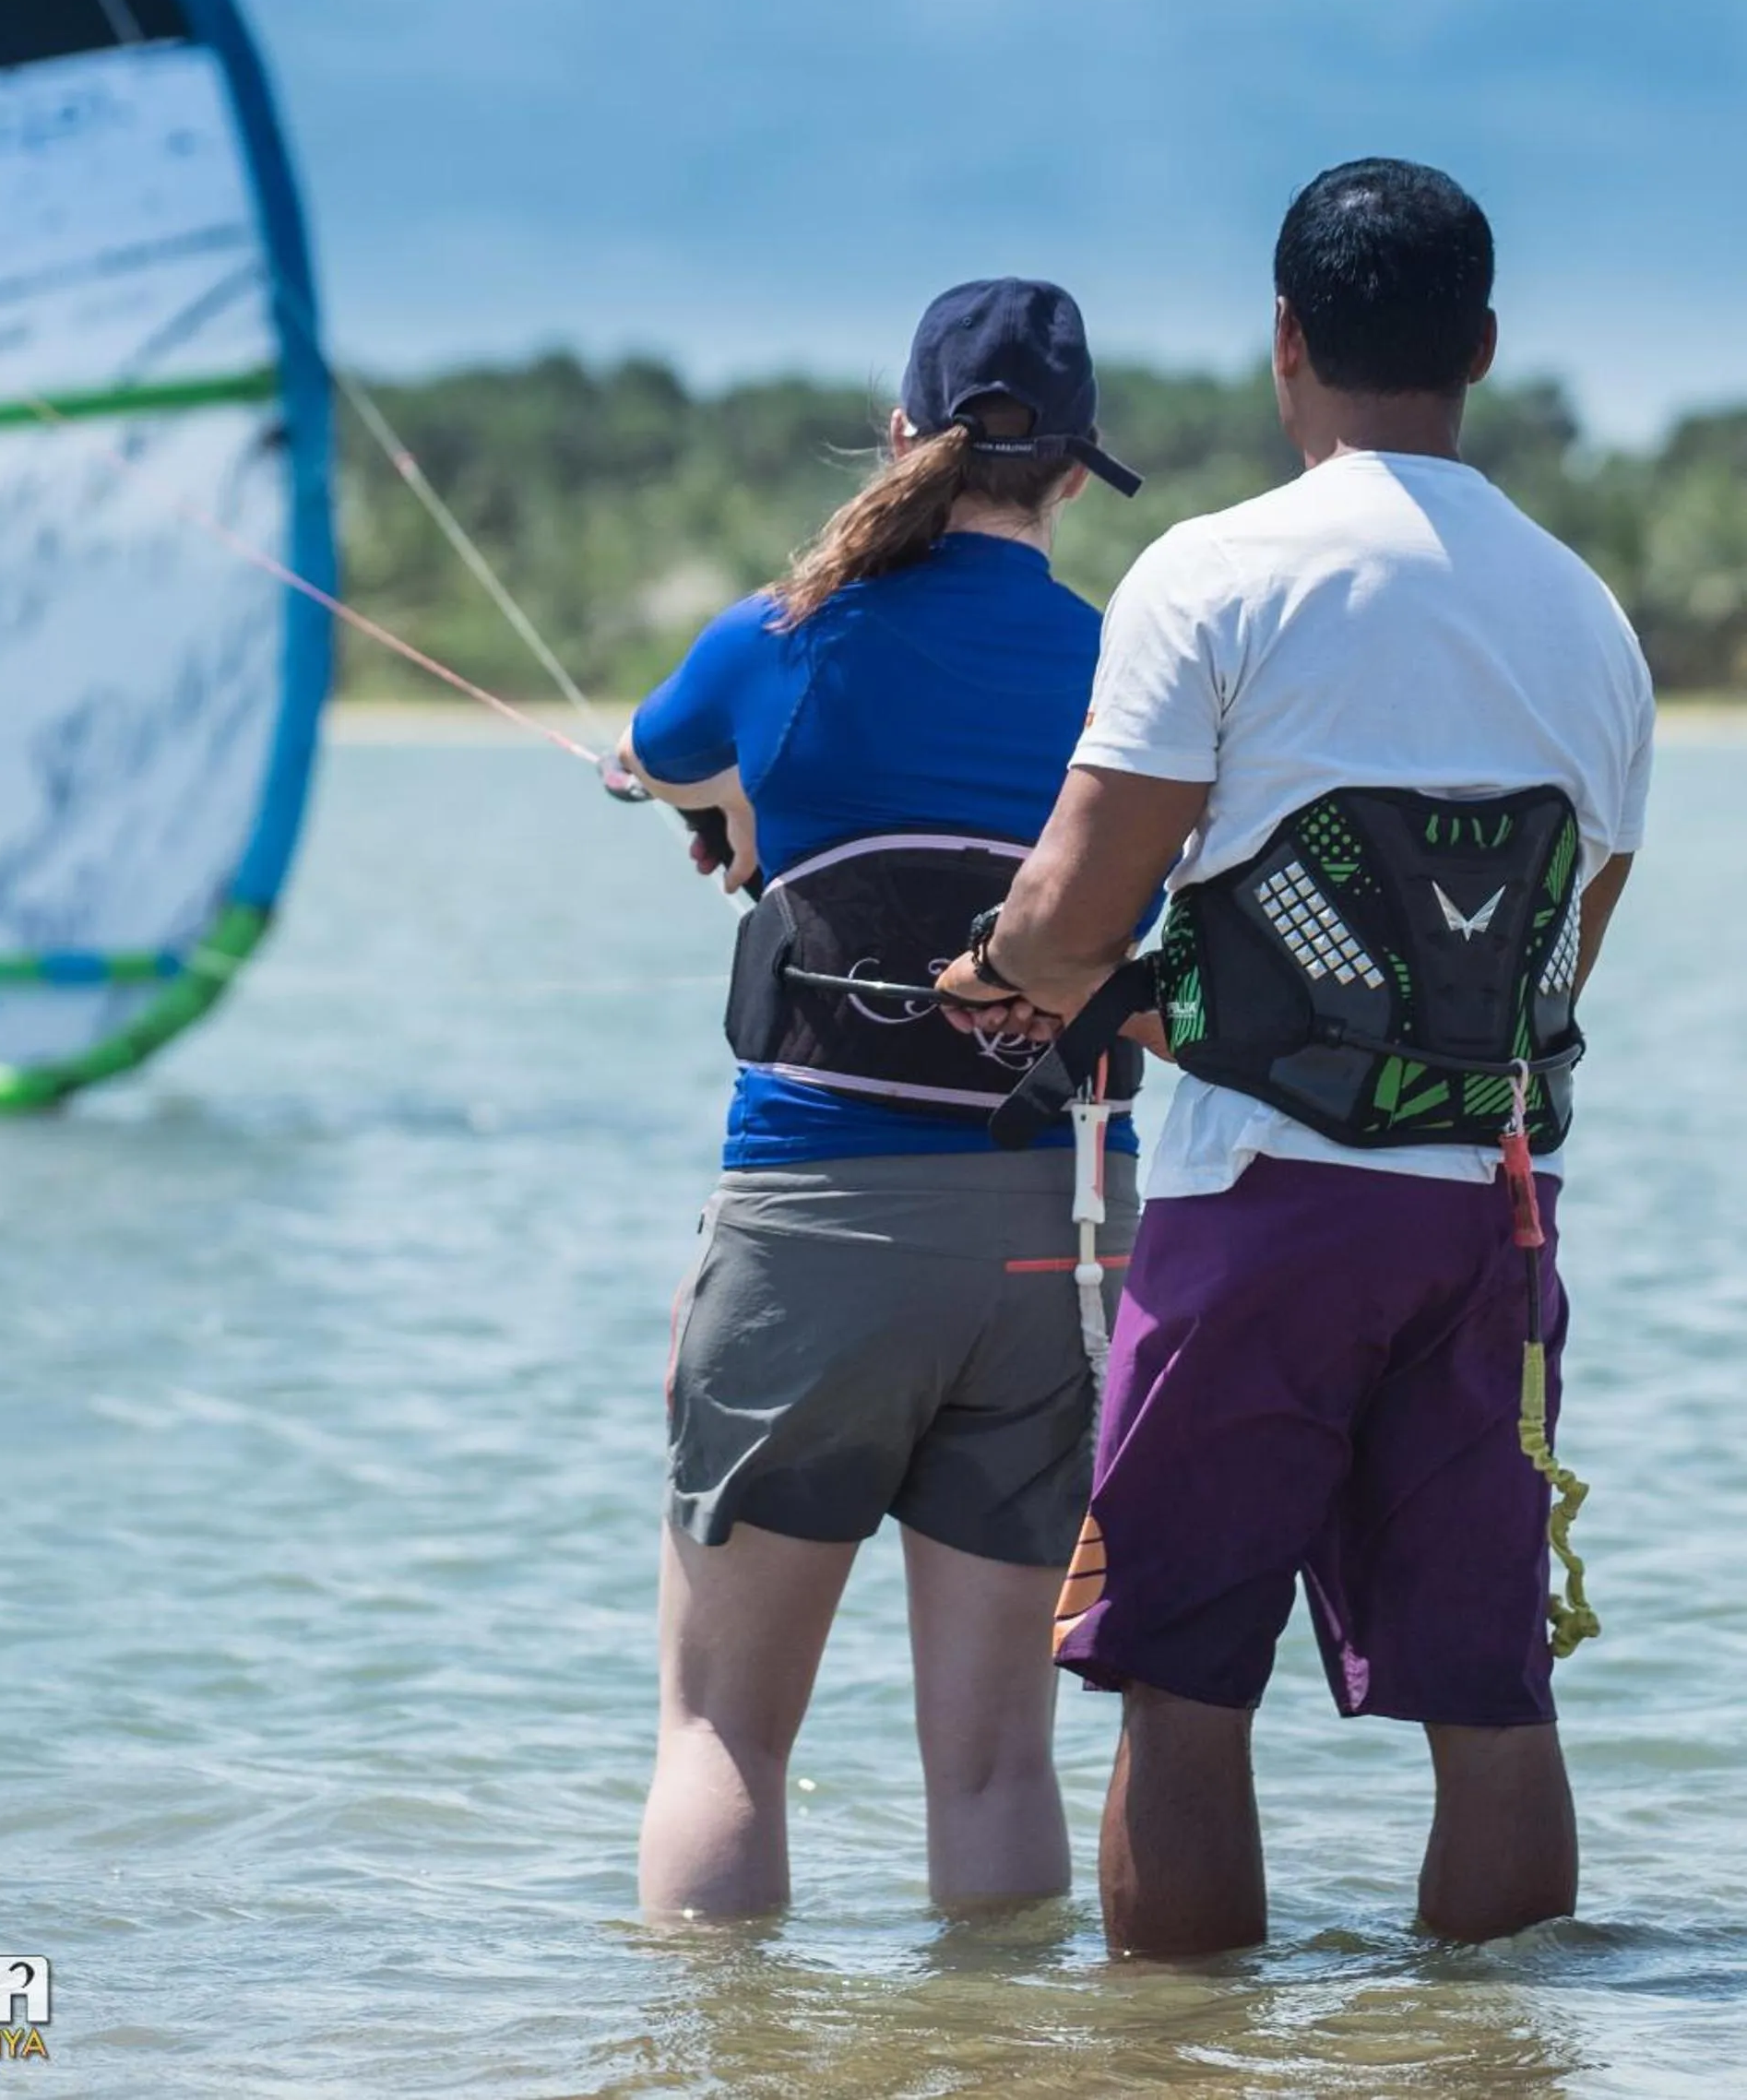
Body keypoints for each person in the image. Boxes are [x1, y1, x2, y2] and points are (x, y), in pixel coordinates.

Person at [938, 160, 1654, 1956]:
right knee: (1490, 1703)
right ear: (1480, 344)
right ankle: (1488, 2066)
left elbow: (1069, 910)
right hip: (1495, 1223)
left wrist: (1011, 971)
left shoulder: (1213, 574)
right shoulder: (1592, 620)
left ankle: (1179, 2073)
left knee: (1181, 1685)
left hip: (1249, 1209)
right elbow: (1545, 970)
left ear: (1283, 342)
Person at [624, 278, 1147, 1919]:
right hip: (1056, 1246)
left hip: (820, 1233)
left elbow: (664, 757)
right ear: (1075, 474)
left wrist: (743, 836)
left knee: (722, 1736)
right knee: (996, 1759)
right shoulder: (1135, 668)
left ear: (905, 434)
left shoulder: (779, 636)